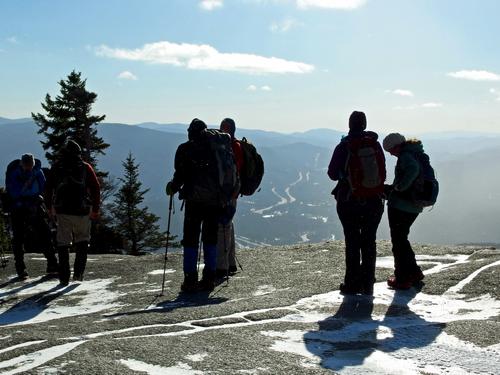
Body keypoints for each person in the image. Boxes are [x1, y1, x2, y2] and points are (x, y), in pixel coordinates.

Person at [328, 111, 386, 295]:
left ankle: (352, 283)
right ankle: (368, 283)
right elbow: (382, 172)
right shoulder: (374, 145)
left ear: (349, 124)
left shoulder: (344, 146)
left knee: (352, 241)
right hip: (374, 200)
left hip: (349, 199)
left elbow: (332, 173)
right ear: (365, 124)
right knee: (369, 241)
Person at [166, 119, 224, 292]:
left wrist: (172, 187)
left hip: (193, 202)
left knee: (191, 239)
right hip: (214, 202)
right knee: (210, 239)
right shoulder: (216, 149)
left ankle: (190, 279)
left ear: (190, 132)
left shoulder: (185, 149)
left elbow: (180, 175)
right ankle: (209, 279)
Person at [45, 140, 101, 285]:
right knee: (83, 240)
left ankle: (64, 276)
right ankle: (78, 273)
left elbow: (48, 188)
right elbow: (95, 187)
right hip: (82, 210)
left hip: (62, 210)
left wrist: (49, 207)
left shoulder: (57, 167)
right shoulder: (85, 167)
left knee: (63, 242)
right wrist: (95, 209)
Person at [382, 133, 426, 289]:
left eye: (391, 150)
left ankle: (402, 278)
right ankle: (414, 272)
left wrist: (399, 188)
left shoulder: (406, 156)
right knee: (402, 239)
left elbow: (412, 170)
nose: (390, 153)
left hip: (402, 205)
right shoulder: (415, 152)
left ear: (397, 145)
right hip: (413, 204)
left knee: (398, 242)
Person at [5, 153, 58, 279]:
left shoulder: (35, 172)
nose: (28, 168)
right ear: (22, 164)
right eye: (27, 166)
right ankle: (25, 268)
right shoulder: (27, 172)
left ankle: (48, 265)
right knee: (23, 237)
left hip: (26, 206)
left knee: (41, 234)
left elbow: (42, 188)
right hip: (23, 207)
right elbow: (13, 191)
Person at [216, 118, 244, 279]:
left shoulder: (232, 147)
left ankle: (222, 266)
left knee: (222, 227)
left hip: (229, 192)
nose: (223, 130)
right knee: (228, 224)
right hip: (233, 192)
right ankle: (230, 263)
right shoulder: (235, 146)